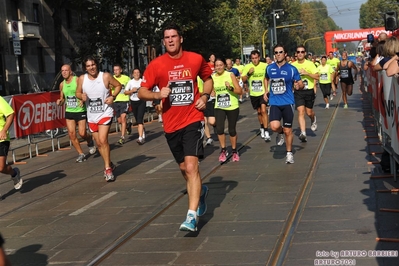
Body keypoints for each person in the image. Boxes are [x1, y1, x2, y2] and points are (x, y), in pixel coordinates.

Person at [138, 23, 213, 232]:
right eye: (166, 37)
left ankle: (191, 216)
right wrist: (156, 95)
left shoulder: (195, 59)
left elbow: (208, 79)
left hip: (193, 118)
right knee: (184, 169)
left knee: (191, 167)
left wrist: (205, 96)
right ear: (164, 41)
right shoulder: (156, 65)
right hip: (171, 125)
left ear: (181, 38)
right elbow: (141, 91)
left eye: (173, 36)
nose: (170, 40)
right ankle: (202, 191)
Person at [76, 56, 122, 182]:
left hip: (105, 113)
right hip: (92, 116)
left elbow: (118, 85)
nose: (91, 67)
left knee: (103, 140)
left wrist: (113, 96)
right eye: (88, 66)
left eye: (93, 65)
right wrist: (81, 96)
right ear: (85, 68)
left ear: (97, 65)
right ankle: (109, 163)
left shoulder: (105, 76)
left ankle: (107, 169)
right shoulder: (82, 79)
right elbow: (77, 92)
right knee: (99, 144)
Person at [264, 44, 304, 164]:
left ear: (285, 54)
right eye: (276, 52)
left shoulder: (292, 69)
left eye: (280, 52)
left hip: (288, 102)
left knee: (288, 130)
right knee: (274, 126)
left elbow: (300, 83)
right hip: (274, 102)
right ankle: (279, 133)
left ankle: (289, 153)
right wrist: (266, 90)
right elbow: (266, 78)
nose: (278, 54)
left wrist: (298, 86)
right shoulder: (269, 68)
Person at [56, 64, 96, 162]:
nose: (64, 72)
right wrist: (60, 102)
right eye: (62, 71)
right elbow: (62, 98)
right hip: (69, 111)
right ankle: (81, 153)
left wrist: (82, 99)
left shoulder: (77, 80)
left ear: (70, 71)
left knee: (82, 133)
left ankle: (89, 139)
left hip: (80, 110)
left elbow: (85, 92)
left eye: (66, 70)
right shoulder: (62, 84)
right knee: (72, 134)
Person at [212, 58, 242, 162]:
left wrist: (231, 88)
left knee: (231, 130)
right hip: (219, 106)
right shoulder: (212, 77)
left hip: (232, 106)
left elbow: (239, 91)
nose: (218, 67)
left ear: (224, 66)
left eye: (220, 65)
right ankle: (223, 150)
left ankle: (234, 150)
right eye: (216, 65)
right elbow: (212, 91)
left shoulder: (230, 75)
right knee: (219, 129)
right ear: (214, 67)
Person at [291, 45, 319, 142]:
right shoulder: (292, 65)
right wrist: (293, 85)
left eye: (302, 52)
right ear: (296, 54)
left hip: (309, 91)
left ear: (305, 53)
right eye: (298, 52)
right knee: (301, 111)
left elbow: (317, 77)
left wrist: (307, 73)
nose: (300, 53)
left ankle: (313, 118)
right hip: (298, 92)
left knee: (308, 112)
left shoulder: (310, 64)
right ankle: (303, 133)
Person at [242, 50, 270, 142]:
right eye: (253, 58)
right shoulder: (247, 66)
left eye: (256, 58)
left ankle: (266, 131)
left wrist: (268, 89)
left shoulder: (265, 66)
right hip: (254, 93)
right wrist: (249, 73)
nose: (254, 60)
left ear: (259, 58)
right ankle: (262, 126)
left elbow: (269, 77)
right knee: (259, 112)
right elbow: (243, 79)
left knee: (263, 110)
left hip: (263, 92)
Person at [0, 96, 22, 190]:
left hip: (1, 139)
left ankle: (14, 173)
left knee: (1, 168)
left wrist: (4, 130)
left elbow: (10, 114)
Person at [125, 68, 146, 144]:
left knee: (140, 119)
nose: (136, 74)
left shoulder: (142, 81)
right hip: (133, 102)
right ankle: (142, 132)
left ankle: (140, 138)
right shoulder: (130, 82)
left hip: (141, 101)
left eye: (138, 72)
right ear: (132, 74)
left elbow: (147, 89)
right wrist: (132, 91)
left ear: (140, 74)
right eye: (135, 73)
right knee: (137, 119)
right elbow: (125, 92)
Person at [112, 64, 131, 145]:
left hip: (124, 100)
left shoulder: (126, 78)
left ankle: (122, 137)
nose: (116, 71)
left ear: (121, 70)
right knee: (119, 121)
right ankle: (128, 126)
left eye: (117, 70)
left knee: (123, 119)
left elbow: (130, 87)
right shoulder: (112, 78)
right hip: (116, 101)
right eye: (114, 70)